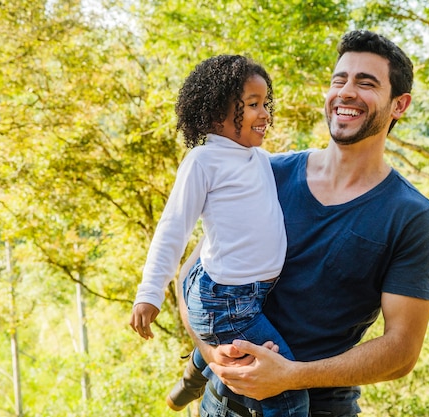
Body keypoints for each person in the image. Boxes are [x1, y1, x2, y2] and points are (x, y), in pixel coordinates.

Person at [178, 30, 429, 416]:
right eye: (340, 80)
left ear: (399, 105)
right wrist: (211, 354)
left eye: (365, 83)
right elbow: (191, 274)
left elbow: (402, 350)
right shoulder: (265, 173)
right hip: (220, 404)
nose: (346, 92)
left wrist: (291, 377)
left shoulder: (410, 214)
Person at [129, 54, 309, 417]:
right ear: (215, 116)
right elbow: (173, 227)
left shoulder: (257, 158)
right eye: (252, 105)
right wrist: (149, 293)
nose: (265, 114)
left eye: (266, 104)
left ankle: (196, 371)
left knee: (228, 350)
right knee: (289, 398)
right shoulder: (203, 161)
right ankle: (202, 363)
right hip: (225, 302)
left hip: (243, 293)